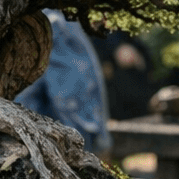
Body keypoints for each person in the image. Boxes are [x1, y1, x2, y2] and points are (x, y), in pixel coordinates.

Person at [15, 9, 112, 157]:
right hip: (42, 153)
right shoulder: (52, 24)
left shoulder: (49, 24)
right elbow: (75, 105)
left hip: (31, 150)